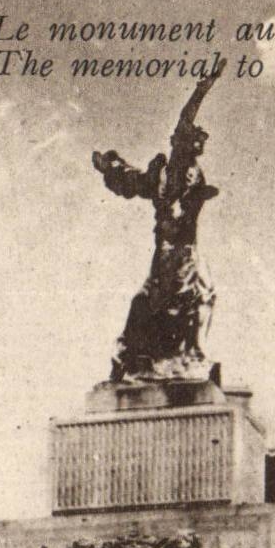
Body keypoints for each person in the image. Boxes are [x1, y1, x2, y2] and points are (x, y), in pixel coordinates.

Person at [93, 71, 223, 382]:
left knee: (176, 299)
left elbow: (130, 180)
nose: (199, 144)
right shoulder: (176, 168)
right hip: (178, 251)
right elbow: (183, 121)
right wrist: (202, 90)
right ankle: (182, 357)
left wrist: (109, 168)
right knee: (192, 298)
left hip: (175, 250)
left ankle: (140, 356)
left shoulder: (173, 171)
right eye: (196, 141)